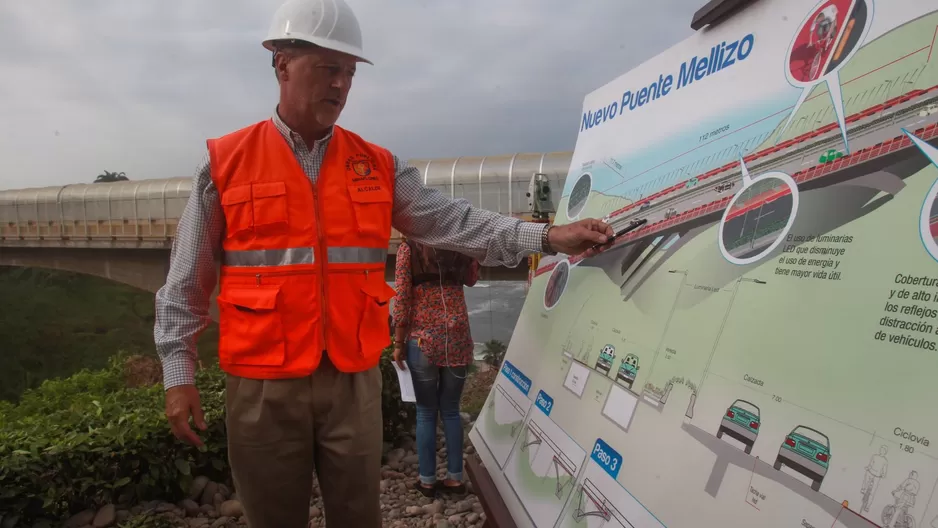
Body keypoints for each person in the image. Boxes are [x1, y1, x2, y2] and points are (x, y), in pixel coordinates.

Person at [153, 0, 613, 526]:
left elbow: (455, 222)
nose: (341, 85)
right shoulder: (224, 164)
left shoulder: (378, 165)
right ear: (281, 63)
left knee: (359, 517)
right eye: (329, 68)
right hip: (262, 387)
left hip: (351, 381)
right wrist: (177, 375)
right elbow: (184, 283)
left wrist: (548, 235)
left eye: (349, 73)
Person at [392, 238, 479, 497]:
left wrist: (398, 342)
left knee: (426, 413)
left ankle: (427, 480)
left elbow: (403, 297)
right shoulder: (460, 244)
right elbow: (472, 279)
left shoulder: (409, 248)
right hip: (458, 340)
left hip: (423, 341)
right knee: (451, 411)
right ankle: (454, 478)